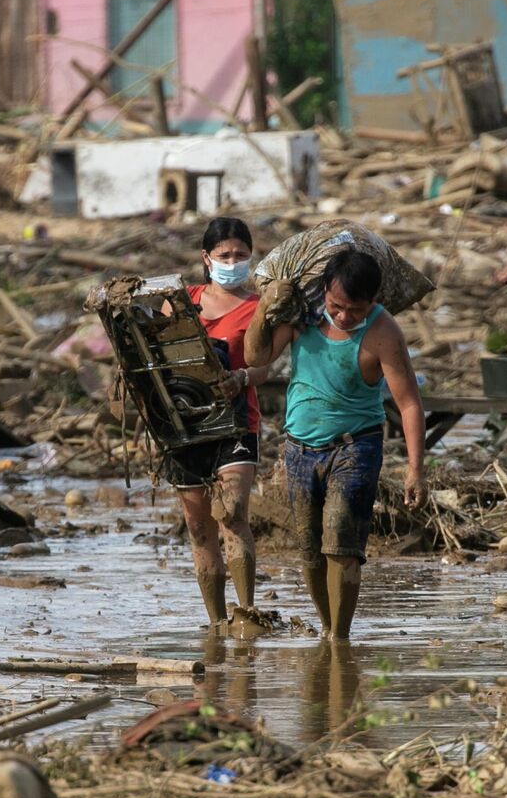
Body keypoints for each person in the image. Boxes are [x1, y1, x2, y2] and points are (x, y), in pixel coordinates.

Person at [245, 249, 427, 643]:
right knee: (310, 551)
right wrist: (264, 309)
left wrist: (416, 469)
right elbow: (256, 358)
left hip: (355, 447)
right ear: (324, 291)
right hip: (298, 448)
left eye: (356, 310)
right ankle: (328, 629)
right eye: (337, 306)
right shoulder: (302, 316)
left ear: (374, 301)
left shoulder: (383, 332)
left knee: (341, 542)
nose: (344, 317)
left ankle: (339, 640)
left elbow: (409, 402)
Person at [164, 217, 270, 631]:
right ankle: (216, 621)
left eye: (241, 255)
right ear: (206, 259)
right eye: (224, 255)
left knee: (233, 512)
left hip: (237, 421)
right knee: (197, 525)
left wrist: (242, 377)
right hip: (185, 424)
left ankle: (246, 613)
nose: (232, 261)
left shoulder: (258, 307)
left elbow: (267, 365)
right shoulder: (180, 301)